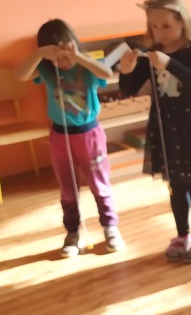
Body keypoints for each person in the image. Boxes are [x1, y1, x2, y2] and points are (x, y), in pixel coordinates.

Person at [119, 0, 191, 263]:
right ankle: (182, 235)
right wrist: (126, 70)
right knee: (175, 186)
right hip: (165, 127)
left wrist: (169, 63)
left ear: (182, 20)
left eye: (166, 26)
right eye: (154, 26)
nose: (160, 32)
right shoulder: (153, 52)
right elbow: (129, 89)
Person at [16, 18, 123, 257]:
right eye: (56, 57)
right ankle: (73, 231)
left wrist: (78, 57)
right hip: (60, 137)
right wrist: (41, 54)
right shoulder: (46, 70)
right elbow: (21, 75)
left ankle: (110, 226)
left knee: (99, 184)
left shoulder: (87, 67)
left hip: (89, 136)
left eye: (65, 55)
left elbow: (106, 72)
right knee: (67, 188)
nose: (62, 62)